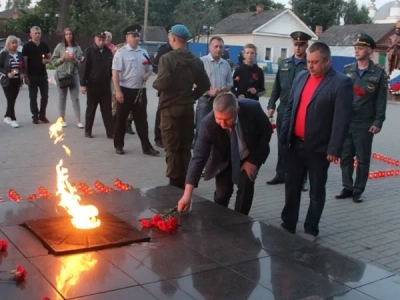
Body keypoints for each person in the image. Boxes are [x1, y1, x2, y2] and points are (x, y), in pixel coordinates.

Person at [279, 42, 353, 241]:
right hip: (295, 144)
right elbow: (290, 108)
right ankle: (288, 223)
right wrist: (284, 135)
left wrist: (334, 148)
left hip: (319, 149)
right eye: (308, 62)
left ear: (327, 61)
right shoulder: (301, 77)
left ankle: (311, 228)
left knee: (316, 190)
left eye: (315, 62)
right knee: (291, 186)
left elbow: (341, 119)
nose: (310, 66)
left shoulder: (340, 83)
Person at [177, 92, 272, 215]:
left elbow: (266, 132)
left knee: (246, 185)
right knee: (223, 193)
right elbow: (198, 157)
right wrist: (187, 195)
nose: (222, 124)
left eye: (227, 119)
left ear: (237, 110)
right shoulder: (208, 123)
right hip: (224, 158)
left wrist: (253, 160)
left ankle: (240, 219)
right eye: (219, 119)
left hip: (248, 155)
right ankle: (219, 220)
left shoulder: (252, 108)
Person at [153, 24, 210, 189]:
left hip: (170, 109)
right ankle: (187, 181)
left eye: (170, 37)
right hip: (187, 108)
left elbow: (163, 82)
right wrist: (191, 96)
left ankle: (173, 184)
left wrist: (156, 83)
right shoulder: (195, 60)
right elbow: (205, 84)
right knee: (185, 147)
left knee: (171, 147)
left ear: (174, 38)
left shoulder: (167, 59)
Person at [336, 33, 387, 203]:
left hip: (365, 123)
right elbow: (341, 97)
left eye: (361, 48)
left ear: (370, 50)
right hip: (347, 121)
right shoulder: (347, 70)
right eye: (355, 48)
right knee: (345, 156)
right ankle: (347, 186)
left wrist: (378, 121)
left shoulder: (378, 73)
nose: (357, 51)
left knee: (363, 159)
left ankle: (358, 190)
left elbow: (381, 100)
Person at [266, 31, 311, 191]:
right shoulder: (285, 64)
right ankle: (281, 174)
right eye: (296, 44)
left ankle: (302, 179)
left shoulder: (309, 64)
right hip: (284, 109)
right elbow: (276, 87)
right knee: (282, 143)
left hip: (301, 110)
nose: (298, 47)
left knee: (300, 146)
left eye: (301, 45)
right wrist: (271, 105)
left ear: (306, 46)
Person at [112, 24, 159, 156]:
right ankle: (119, 145)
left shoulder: (143, 52)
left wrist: (147, 75)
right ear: (127, 37)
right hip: (125, 90)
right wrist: (117, 91)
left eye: (138, 36)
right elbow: (115, 72)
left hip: (140, 91)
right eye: (134, 36)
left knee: (142, 121)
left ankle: (146, 147)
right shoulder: (121, 53)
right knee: (121, 120)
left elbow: (150, 67)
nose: (137, 38)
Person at [195, 36, 233, 145]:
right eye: (215, 46)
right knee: (202, 131)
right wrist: (208, 90)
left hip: (221, 102)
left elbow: (230, 82)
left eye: (221, 47)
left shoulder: (226, 64)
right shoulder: (201, 62)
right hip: (205, 102)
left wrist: (226, 88)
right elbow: (194, 82)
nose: (218, 49)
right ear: (209, 47)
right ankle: (199, 159)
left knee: (220, 132)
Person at [152, 22, 181, 148]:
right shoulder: (163, 50)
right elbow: (155, 68)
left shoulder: (182, 50)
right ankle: (159, 137)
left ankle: (174, 136)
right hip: (165, 87)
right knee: (162, 113)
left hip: (179, 88)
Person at [79, 31, 114, 138]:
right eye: (99, 39)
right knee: (91, 109)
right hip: (93, 85)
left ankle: (110, 132)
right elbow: (83, 69)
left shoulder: (108, 52)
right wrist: (83, 84)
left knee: (107, 110)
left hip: (105, 85)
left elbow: (112, 68)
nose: (101, 41)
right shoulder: (89, 51)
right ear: (95, 39)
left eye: (103, 39)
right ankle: (88, 131)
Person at [51, 27, 83, 128]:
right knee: (62, 97)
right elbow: (53, 61)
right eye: (66, 34)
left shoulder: (77, 48)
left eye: (70, 34)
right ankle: (62, 119)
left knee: (75, 98)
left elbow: (81, 64)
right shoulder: (60, 47)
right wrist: (62, 58)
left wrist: (75, 60)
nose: (69, 36)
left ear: (73, 35)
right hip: (62, 75)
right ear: (64, 36)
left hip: (73, 75)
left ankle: (78, 121)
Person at [22, 26, 51, 124]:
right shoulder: (27, 47)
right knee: (33, 96)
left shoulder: (44, 45)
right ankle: (35, 116)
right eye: (35, 33)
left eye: (39, 33)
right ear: (31, 34)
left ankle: (42, 115)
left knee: (45, 96)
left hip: (43, 75)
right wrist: (25, 75)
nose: (37, 35)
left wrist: (46, 61)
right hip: (32, 75)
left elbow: (50, 58)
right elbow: (24, 62)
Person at [0, 35, 26, 128]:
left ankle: (7, 116)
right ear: (8, 44)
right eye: (13, 43)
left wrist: (23, 73)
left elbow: (23, 65)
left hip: (17, 80)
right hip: (7, 81)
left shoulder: (19, 54)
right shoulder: (4, 54)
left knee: (12, 100)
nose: (15, 45)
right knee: (10, 99)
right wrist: (7, 73)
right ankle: (13, 119)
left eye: (16, 43)